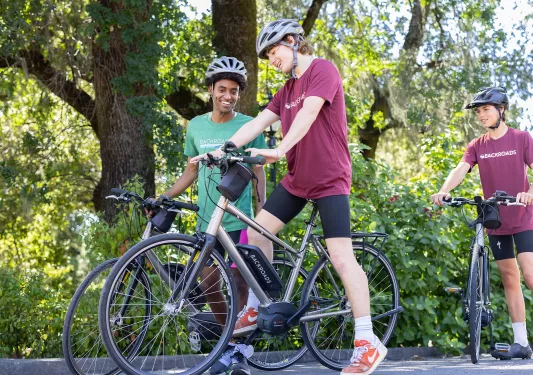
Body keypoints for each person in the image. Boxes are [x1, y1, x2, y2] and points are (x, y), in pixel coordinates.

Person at [193, 19, 387, 375]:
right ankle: (260, 302)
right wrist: (224, 150)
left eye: (273, 51)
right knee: (256, 233)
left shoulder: (322, 71)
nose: (271, 60)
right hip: (298, 181)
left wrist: (280, 149)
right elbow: (255, 124)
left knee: (341, 257)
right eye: (267, 55)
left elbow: (310, 114)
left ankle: (367, 341)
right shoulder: (286, 90)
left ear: (294, 42)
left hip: (330, 179)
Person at [162, 56, 267, 374]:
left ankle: (238, 353)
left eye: (234, 91)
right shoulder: (195, 126)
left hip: (240, 218)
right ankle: (229, 341)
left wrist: (262, 216)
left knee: (239, 284)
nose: (228, 95)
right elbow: (189, 173)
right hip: (207, 222)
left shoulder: (250, 125)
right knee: (208, 283)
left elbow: (259, 171)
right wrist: (163, 197)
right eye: (222, 89)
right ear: (211, 90)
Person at [431, 87, 533, 359]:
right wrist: (444, 190)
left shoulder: (522, 138)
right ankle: (521, 343)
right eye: (478, 111)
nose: (481, 115)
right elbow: (461, 168)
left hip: (523, 215)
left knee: (530, 273)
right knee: (510, 278)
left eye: (486, 109)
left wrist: (530, 192)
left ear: (501, 111)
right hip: (495, 218)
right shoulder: (477, 145)